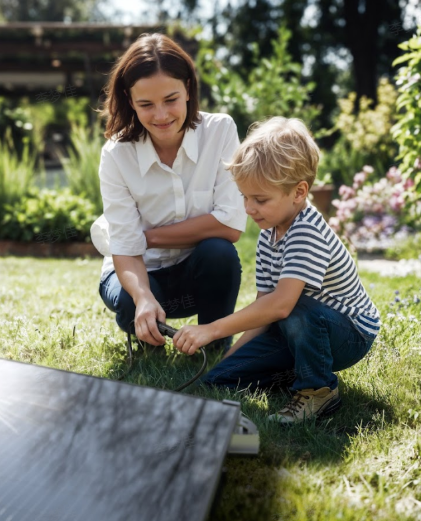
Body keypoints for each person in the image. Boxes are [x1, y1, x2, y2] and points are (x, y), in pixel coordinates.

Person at [171, 117, 381, 424]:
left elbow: (280, 305)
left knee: (295, 308)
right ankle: (294, 370)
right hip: (295, 329)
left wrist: (211, 330)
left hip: (349, 333)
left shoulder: (306, 231)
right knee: (221, 379)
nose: (248, 208)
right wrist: (227, 362)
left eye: (260, 199)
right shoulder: (269, 231)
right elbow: (263, 309)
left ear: (298, 192)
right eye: (244, 197)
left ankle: (317, 390)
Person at [92, 33, 247, 351]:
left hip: (197, 272)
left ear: (188, 88)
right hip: (138, 273)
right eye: (146, 104)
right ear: (129, 99)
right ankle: (148, 327)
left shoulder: (220, 131)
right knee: (129, 304)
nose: (161, 116)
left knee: (218, 253)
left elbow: (230, 226)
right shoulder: (116, 154)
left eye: (171, 100)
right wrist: (143, 296)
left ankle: (212, 342)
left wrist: (145, 237)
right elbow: (124, 249)